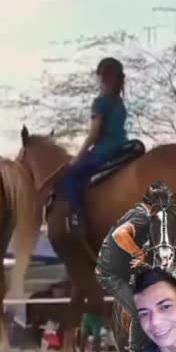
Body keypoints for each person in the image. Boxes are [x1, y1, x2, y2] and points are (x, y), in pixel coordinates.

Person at [96, 181, 176, 352]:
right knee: (138, 310)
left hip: (126, 268)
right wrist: (138, 254)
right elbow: (119, 234)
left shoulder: (147, 216)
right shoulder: (142, 217)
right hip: (112, 275)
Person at [58, 57, 128, 233]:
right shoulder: (119, 102)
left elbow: (94, 133)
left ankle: (77, 218)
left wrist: (78, 157)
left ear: (102, 77)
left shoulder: (100, 102)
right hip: (123, 147)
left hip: (105, 150)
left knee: (69, 176)